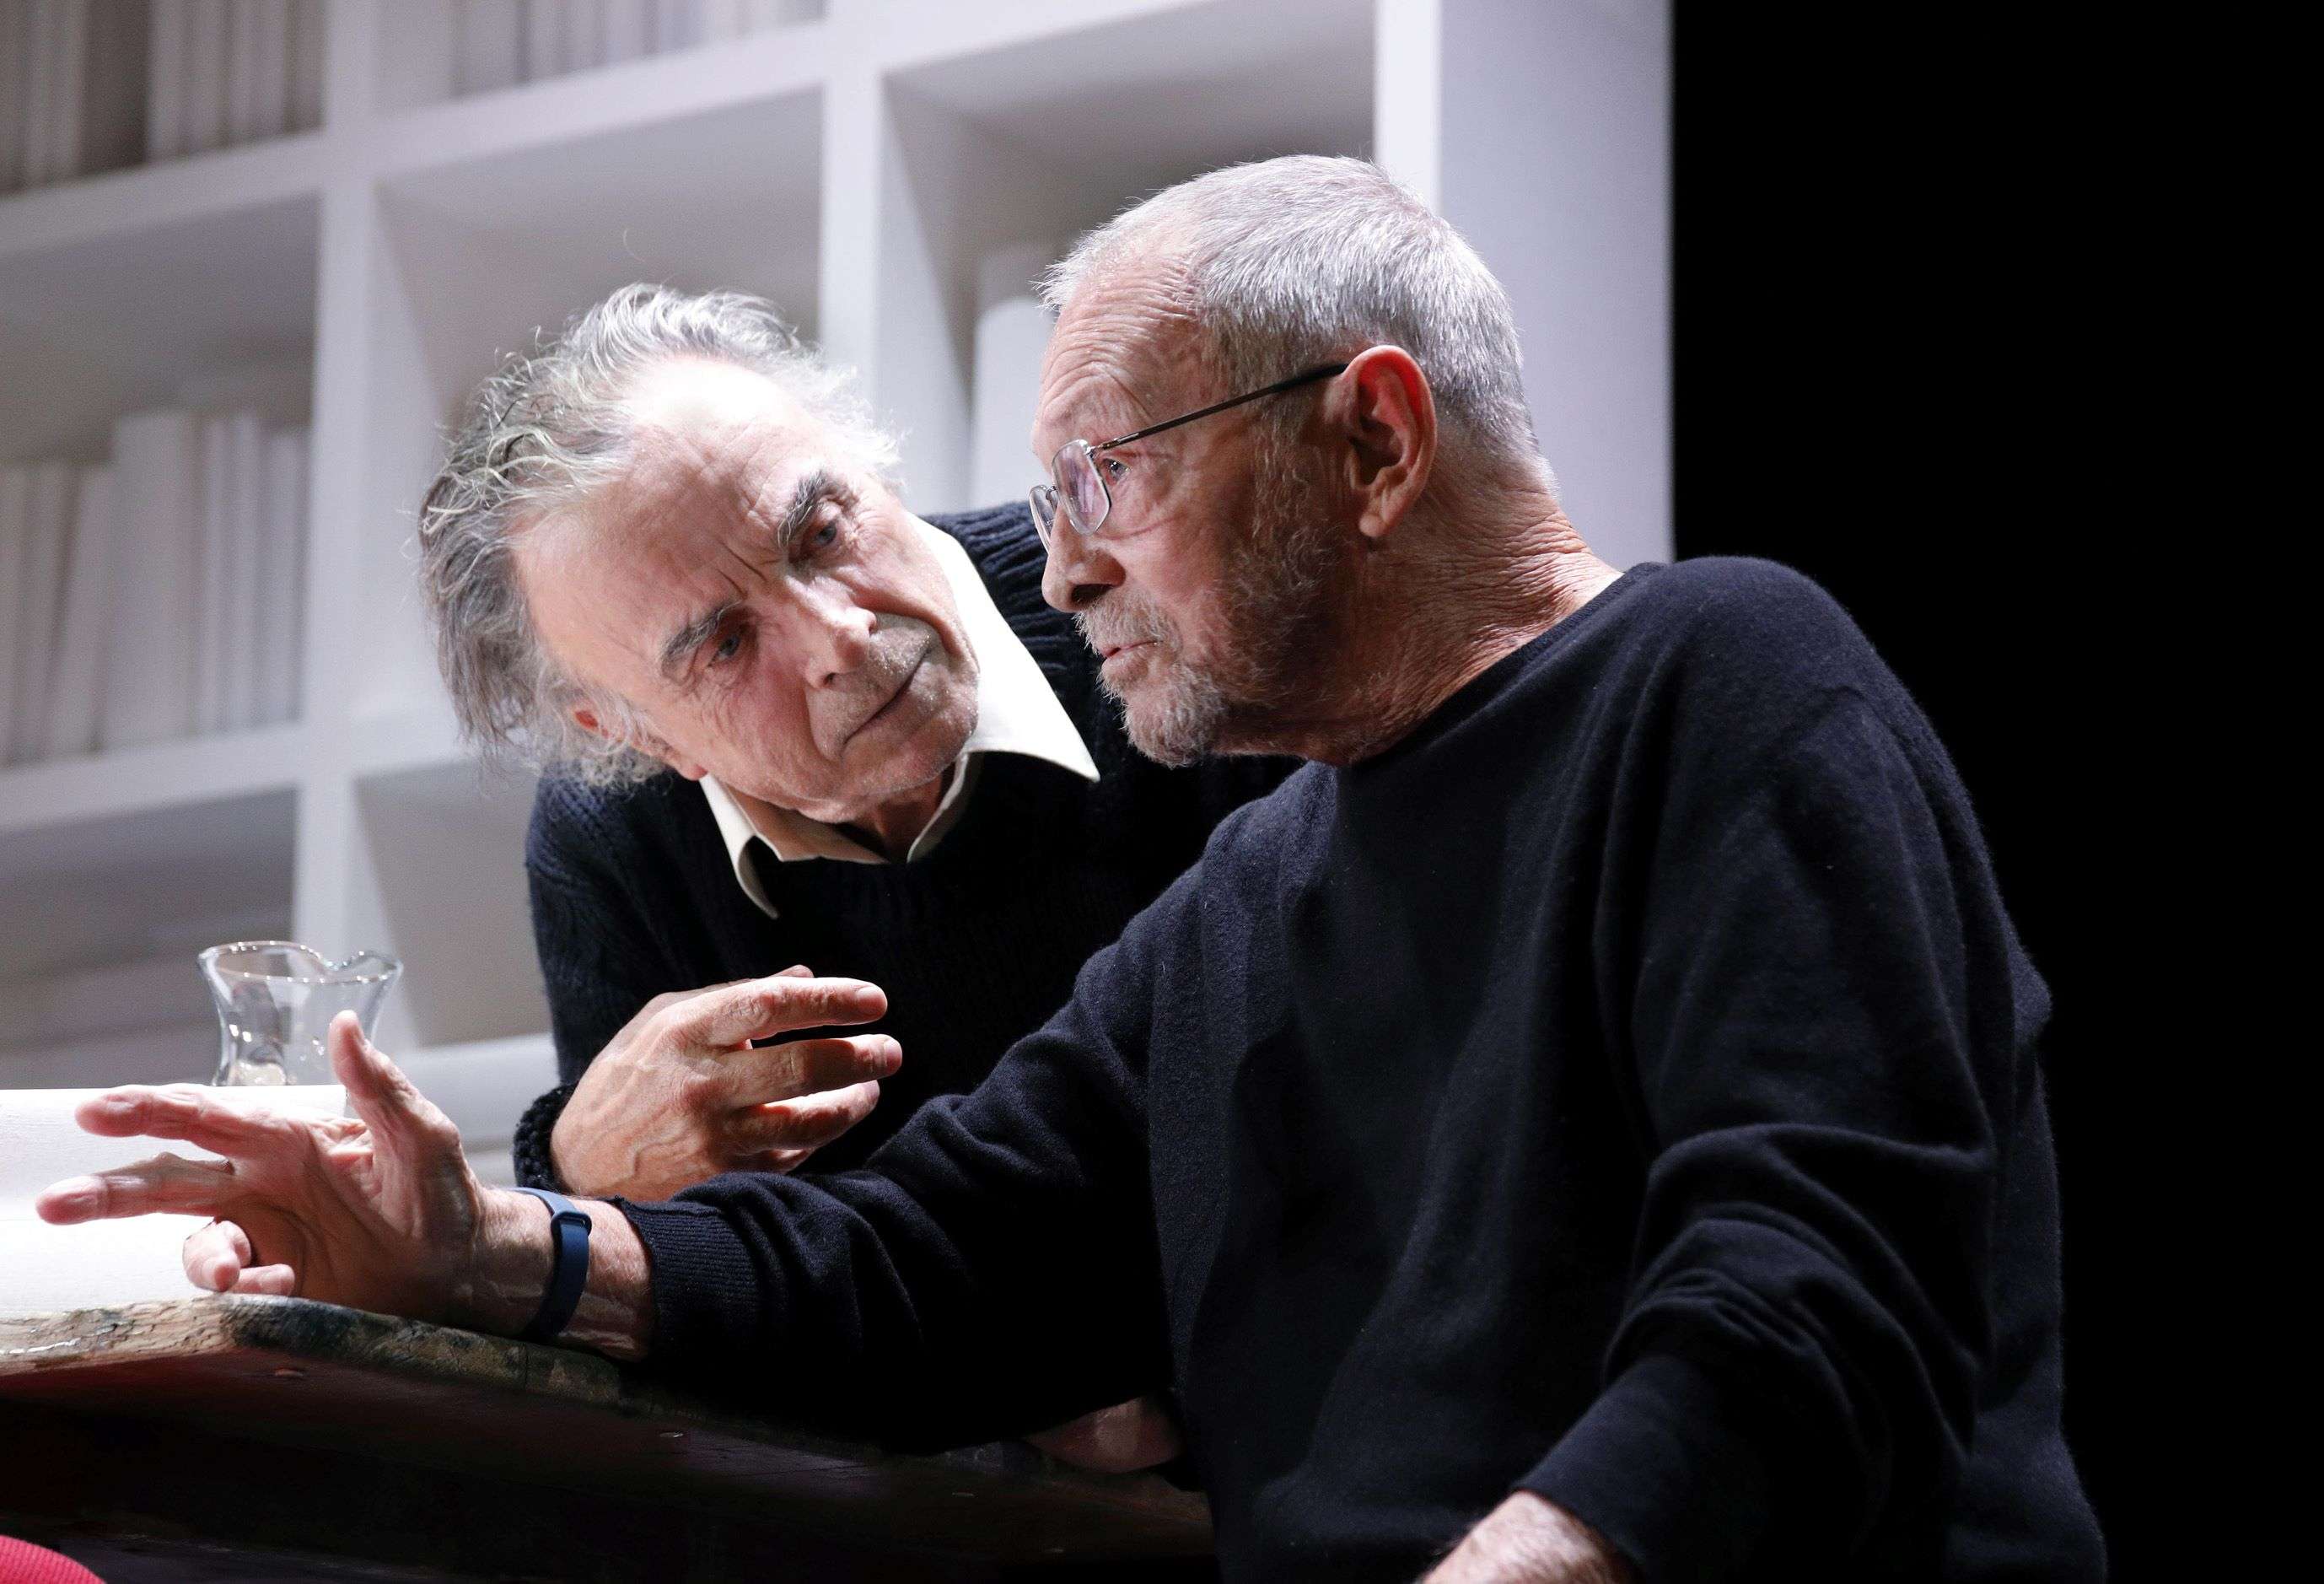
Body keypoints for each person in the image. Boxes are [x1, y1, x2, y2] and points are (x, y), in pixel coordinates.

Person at [41, 157, 2104, 1581]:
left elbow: (1808, 1300)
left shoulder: (1717, 672)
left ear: (1372, 447)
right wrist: (488, 1249)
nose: (1060, 559)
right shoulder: (1243, 902)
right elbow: (920, 1264)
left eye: (1106, 477)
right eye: (1048, 493)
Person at [413, 286, 1286, 1202]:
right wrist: (576, 1174)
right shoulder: (616, 839)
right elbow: (677, 1270)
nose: (842, 639)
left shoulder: (1148, 592)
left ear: (876, 469)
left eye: (822, 534)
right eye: (725, 644)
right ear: (632, 731)